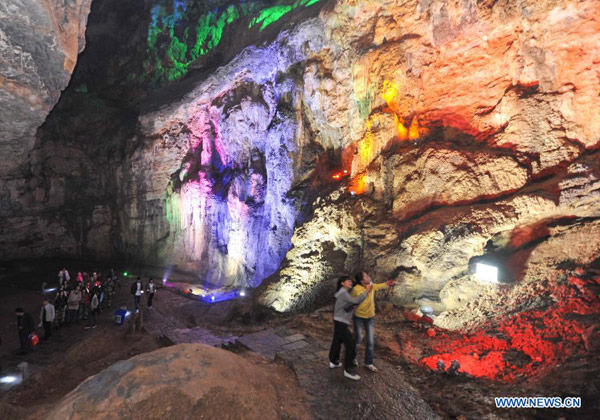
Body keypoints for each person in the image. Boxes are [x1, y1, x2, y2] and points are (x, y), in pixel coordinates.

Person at [329, 275, 371, 381]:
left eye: (350, 281)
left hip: (338, 320)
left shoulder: (342, 293)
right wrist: (366, 292)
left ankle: (334, 361)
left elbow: (346, 306)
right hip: (341, 321)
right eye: (348, 281)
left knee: (337, 341)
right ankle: (349, 370)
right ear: (342, 283)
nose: (350, 283)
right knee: (351, 345)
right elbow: (355, 301)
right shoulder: (343, 292)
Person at [351, 271, 395, 372]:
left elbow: (378, 286)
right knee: (358, 339)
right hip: (359, 317)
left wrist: (387, 284)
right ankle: (352, 358)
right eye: (366, 276)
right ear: (362, 281)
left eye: (368, 275)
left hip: (370, 317)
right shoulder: (356, 289)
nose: (369, 276)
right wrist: (367, 290)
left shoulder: (370, 285)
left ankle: (368, 363)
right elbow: (356, 299)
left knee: (370, 341)